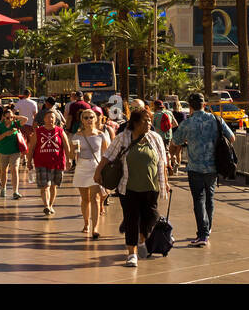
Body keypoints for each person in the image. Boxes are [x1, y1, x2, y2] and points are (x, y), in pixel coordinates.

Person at [94, 108, 169, 267]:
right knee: (131, 220)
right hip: (128, 189)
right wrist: (98, 171)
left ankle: (142, 240)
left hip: (151, 188)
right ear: (135, 123)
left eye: (149, 120)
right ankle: (131, 253)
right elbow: (108, 156)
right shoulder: (122, 138)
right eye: (145, 120)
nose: (149, 123)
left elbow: (162, 162)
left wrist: (166, 182)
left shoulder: (155, 138)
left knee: (151, 217)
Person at [171, 92, 234, 247]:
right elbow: (232, 137)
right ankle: (208, 229)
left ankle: (203, 234)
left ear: (190, 107)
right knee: (209, 198)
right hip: (213, 167)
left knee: (198, 200)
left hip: (195, 168)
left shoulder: (187, 123)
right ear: (204, 105)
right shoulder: (215, 119)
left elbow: (175, 141)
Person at [69, 107, 110, 239]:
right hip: (81, 166)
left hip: (95, 167)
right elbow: (70, 155)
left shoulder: (101, 135)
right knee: (85, 199)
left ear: (96, 118)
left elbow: (106, 154)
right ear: (82, 120)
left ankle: (95, 227)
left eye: (91, 117)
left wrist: (105, 171)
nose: (88, 120)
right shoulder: (77, 136)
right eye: (85, 118)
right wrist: (74, 150)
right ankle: (86, 223)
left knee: (96, 198)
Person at [31, 109, 68, 215]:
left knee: (53, 186)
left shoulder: (60, 131)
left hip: (57, 162)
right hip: (41, 162)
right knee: (45, 186)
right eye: (48, 117)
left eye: (52, 117)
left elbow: (66, 146)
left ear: (55, 119)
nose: (50, 119)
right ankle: (46, 205)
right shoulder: (38, 132)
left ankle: (51, 205)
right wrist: (29, 161)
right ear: (44, 119)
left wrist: (69, 160)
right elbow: (32, 147)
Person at [0, 106, 25, 200]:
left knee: (15, 169)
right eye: (8, 117)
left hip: (15, 151)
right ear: (3, 117)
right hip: (2, 152)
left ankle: (15, 191)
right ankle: (3, 188)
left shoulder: (15, 124)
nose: (10, 119)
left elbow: (26, 119)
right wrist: (5, 134)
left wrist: (15, 117)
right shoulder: (0, 126)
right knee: (4, 171)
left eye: (11, 117)